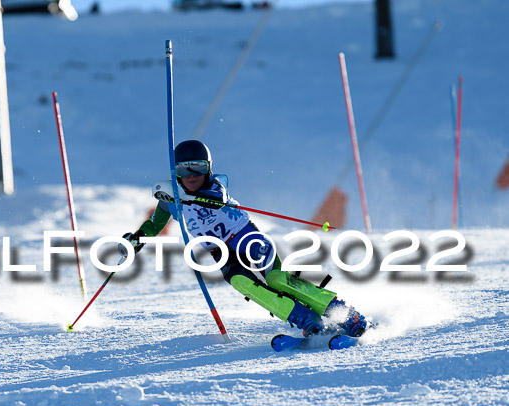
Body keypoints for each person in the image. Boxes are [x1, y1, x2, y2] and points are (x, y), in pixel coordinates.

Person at [121, 140, 368, 338]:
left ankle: (344, 314)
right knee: (242, 283)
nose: (192, 175)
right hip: (220, 252)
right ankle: (305, 319)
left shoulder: (217, 184)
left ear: (208, 168)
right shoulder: (171, 199)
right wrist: (137, 238)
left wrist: (183, 196)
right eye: (185, 169)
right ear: (176, 171)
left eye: (198, 167)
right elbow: (155, 224)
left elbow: (216, 197)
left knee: (277, 279)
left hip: (245, 236)